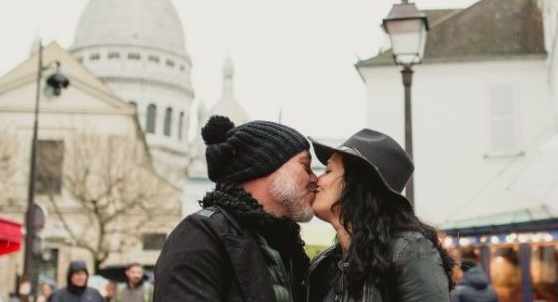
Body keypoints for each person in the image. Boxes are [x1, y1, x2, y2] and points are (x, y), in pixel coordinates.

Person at [154, 115, 317, 301]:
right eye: (306, 166)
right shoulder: (199, 235)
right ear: (266, 166)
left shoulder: (285, 247)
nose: (315, 179)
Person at [307, 129, 454, 301]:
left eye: (328, 171)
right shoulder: (322, 265)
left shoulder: (409, 251)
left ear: (357, 184)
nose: (317, 180)